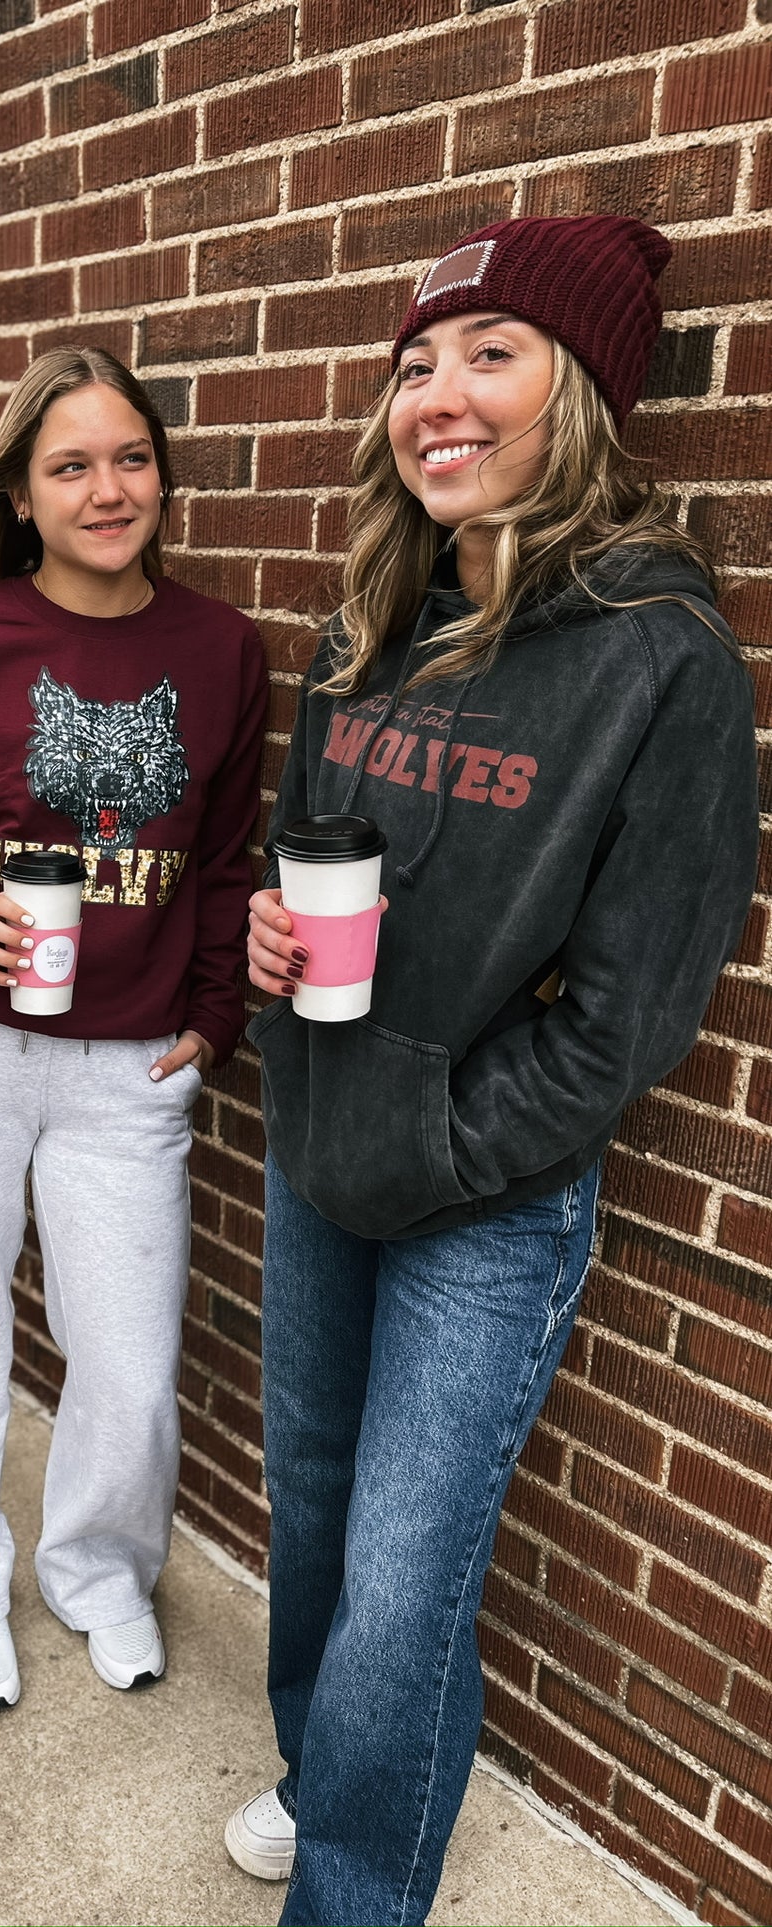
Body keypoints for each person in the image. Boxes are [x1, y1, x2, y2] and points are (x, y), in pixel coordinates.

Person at [224, 215, 758, 1926]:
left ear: (583, 394)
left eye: (489, 355)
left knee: (402, 1580)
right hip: (317, 1141)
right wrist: (263, 948)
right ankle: (321, 1784)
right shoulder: (368, 620)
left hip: (480, 1197)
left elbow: (628, 1018)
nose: (434, 397)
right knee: (309, 1513)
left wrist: (447, 1140)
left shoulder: (654, 656)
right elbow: (319, 871)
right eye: (412, 362)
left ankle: (353, 1897)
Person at [0, 347, 268, 1712]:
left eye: (128, 458)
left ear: (160, 475)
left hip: (127, 1059)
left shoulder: (220, 649)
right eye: (69, 465)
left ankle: (96, 1570)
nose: (105, 487)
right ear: (23, 495)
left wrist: (214, 1015)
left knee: (129, 1353)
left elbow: (218, 856)